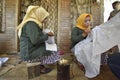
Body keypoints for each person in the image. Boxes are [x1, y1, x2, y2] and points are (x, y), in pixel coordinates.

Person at [17, 6, 60, 74]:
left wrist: (45, 34)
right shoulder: (31, 24)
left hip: (31, 49)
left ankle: (40, 65)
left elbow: (36, 37)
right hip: (28, 53)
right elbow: (35, 41)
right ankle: (39, 66)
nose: (45, 20)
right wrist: (47, 35)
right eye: (44, 18)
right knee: (54, 50)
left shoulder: (34, 24)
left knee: (50, 47)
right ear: (39, 15)